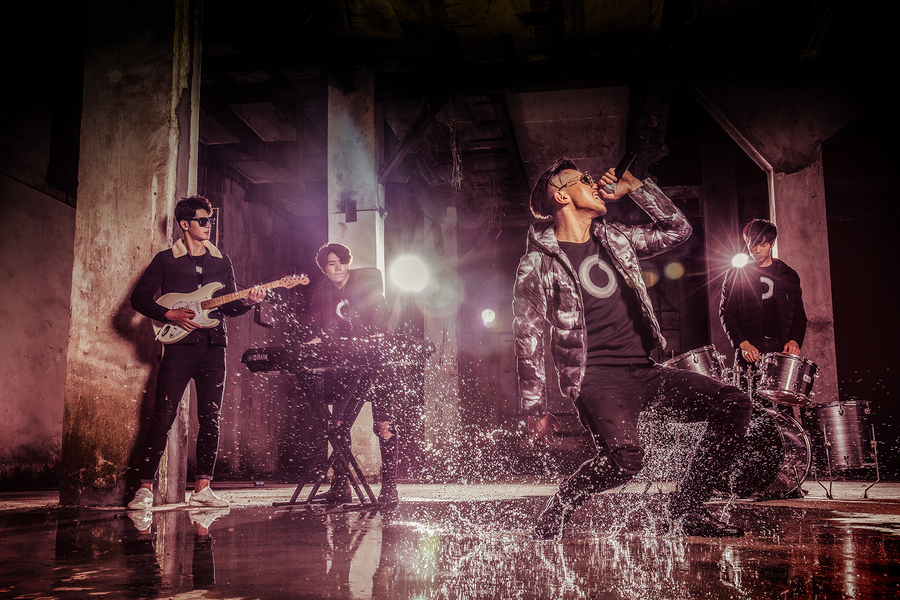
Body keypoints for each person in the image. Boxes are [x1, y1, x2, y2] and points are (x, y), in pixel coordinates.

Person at [513, 158, 753, 539]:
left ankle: (687, 508)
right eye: (583, 179)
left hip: (645, 371)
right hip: (597, 378)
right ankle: (563, 502)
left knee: (735, 404)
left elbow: (678, 229)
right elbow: (528, 336)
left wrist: (638, 189)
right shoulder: (537, 263)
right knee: (625, 461)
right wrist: (535, 407)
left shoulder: (616, 239)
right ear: (561, 196)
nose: (595, 182)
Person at [128, 196, 265, 510]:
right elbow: (139, 299)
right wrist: (168, 314)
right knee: (163, 416)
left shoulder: (222, 261)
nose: (208, 226)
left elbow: (228, 307)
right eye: (202, 221)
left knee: (210, 419)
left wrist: (247, 302)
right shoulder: (166, 260)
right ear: (185, 224)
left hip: (213, 348)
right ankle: (144, 489)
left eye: (210, 220)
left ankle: (203, 489)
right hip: (178, 348)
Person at [304, 242, 400, 504]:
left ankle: (389, 488)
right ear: (324, 268)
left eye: (342, 262)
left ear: (348, 264)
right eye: (331, 264)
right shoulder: (322, 294)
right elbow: (317, 327)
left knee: (384, 425)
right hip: (343, 366)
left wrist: (377, 335)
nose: (338, 268)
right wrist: (314, 341)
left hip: (376, 364)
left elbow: (382, 319)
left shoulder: (367, 286)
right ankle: (340, 487)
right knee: (338, 425)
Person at [720, 219, 807, 391]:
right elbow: (726, 313)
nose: (757, 250)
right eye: (752, 245)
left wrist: (794, 340)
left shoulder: (788, 275)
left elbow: (799, 315)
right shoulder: (736, 274)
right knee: (749, 401)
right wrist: (743, 344)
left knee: (782, 402)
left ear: (772, 244)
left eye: (763, 245)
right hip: (750, 349)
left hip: (781, 350)